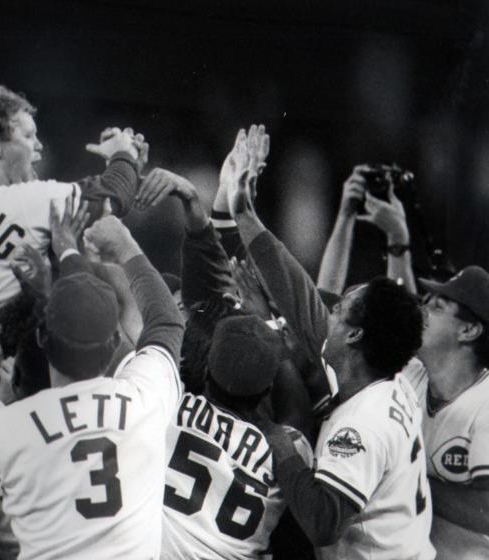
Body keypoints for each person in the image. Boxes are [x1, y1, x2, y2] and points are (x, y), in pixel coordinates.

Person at [0, 214, 185, 558]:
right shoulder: (144, 397)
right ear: (114, 343)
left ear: (40, 337)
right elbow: (168, 321)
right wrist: (124, 243)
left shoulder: (7, 425)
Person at [227, 125, 434, 559]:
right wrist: (243, 213)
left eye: (340, 310)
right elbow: (297, 293)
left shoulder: (364, 421)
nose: (330, 310)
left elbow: (323, 523)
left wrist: (279, 442)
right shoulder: (389, 378)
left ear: (356, 335)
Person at [0, 85, 154, 367]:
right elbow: (113, 195)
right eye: (28, 135)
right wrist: (124, 154)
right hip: (20, 381)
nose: (39, 145)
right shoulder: (23, 200)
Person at [161, 315, 311, 559]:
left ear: (207, 368)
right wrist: (276, 350)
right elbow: (299, 414)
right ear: (267, 391)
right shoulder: (283, 445)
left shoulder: (169, 404)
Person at [402, 266, 489, 558]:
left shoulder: (485, 401)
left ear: (468, 330)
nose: (422, 310)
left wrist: (400, 478)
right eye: (424, 302)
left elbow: (485, 511)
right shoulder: (408, 373)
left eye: (437, 306)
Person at [317, 164, 417, 295]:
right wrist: (346, 215)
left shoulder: (407, 312)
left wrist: (397, 237)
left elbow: (403, 311)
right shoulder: (336, 311)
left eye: (438, 306)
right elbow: (325, 299)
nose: (432, 300)